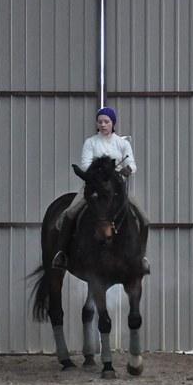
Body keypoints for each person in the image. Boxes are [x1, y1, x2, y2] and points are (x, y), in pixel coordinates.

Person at [52, 106, 150, 274]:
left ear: (113, 123)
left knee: (144, 219)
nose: (103, 125)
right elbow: (85, 164)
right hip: (93, 188)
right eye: (100, 122)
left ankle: (141, 257)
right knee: (69, 214)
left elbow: (132, 164)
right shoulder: (90, 143)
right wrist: (99, 173)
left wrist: (127, 170)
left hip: (117, 190)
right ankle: (61, 254)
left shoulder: (122, 143)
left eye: (106, 122)